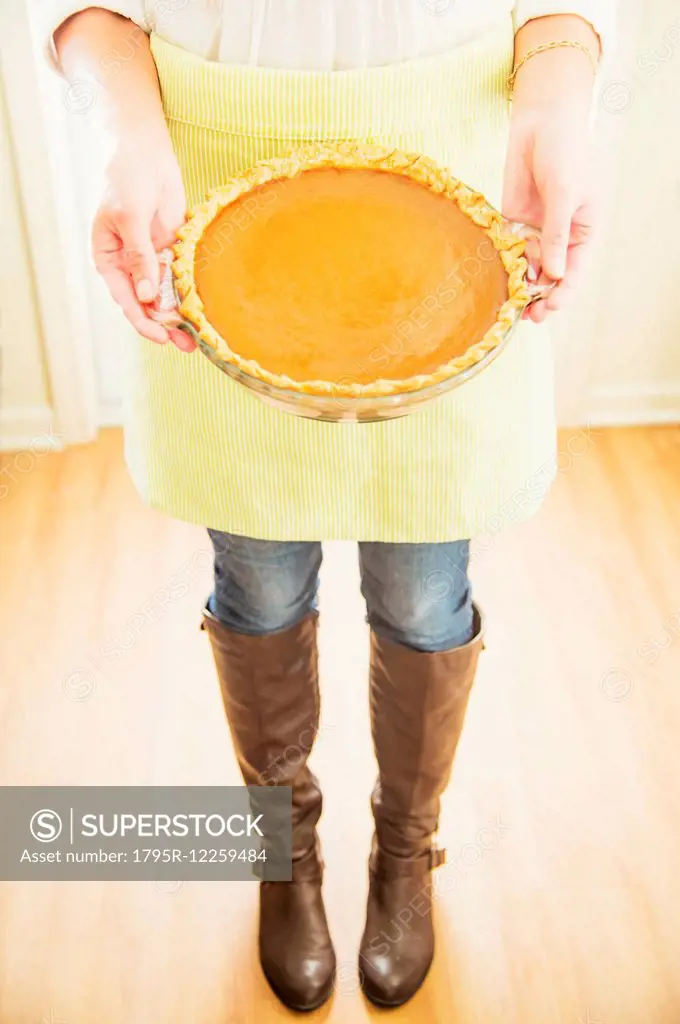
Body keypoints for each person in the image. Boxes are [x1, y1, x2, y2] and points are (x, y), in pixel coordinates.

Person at [46, 1, 612, 1012]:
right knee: (256, 587)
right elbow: (84, 17)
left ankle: (404, 856)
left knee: (423, 596)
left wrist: (560, 107)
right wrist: (122, 134)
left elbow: (565, 13)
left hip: (443, 215)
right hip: (216, 201)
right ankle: (283, 853)